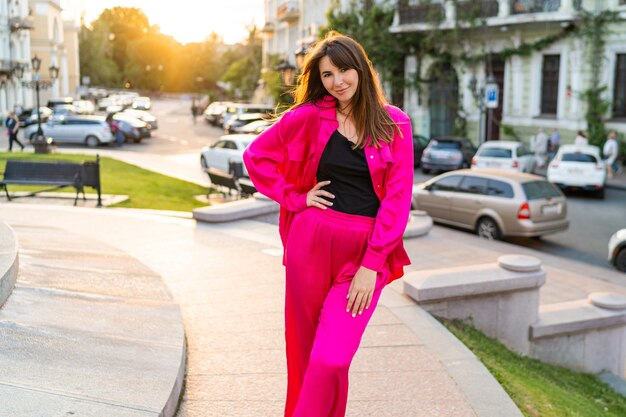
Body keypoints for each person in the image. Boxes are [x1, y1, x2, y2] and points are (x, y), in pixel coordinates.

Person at [243, 31, 413, 417]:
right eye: (327, 75)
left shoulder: (394, 124)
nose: (338, 82)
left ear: (361, 68)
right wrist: (296, 198)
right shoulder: (310, 116)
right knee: (304, 353)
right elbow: (257, 156)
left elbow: (398, 200)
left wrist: (373, 264)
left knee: (332, 359)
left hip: (362, 255)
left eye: (344, 70)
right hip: (311, 243)